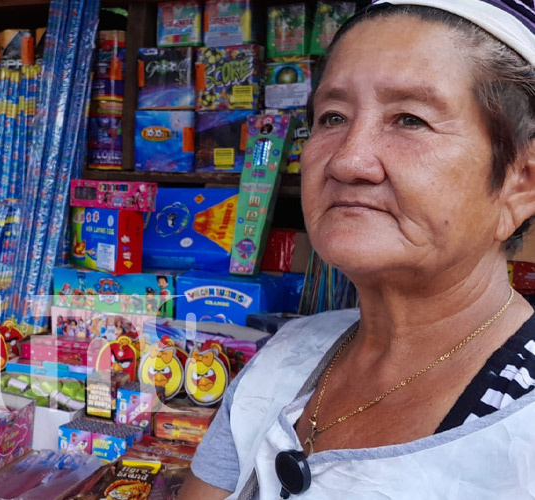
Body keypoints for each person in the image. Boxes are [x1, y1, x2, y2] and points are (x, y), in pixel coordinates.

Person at [178, 1, 535, 498]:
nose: (348, 160)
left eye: (409, 119)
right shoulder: (281, 362)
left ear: (521, 182)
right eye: (332, 117)